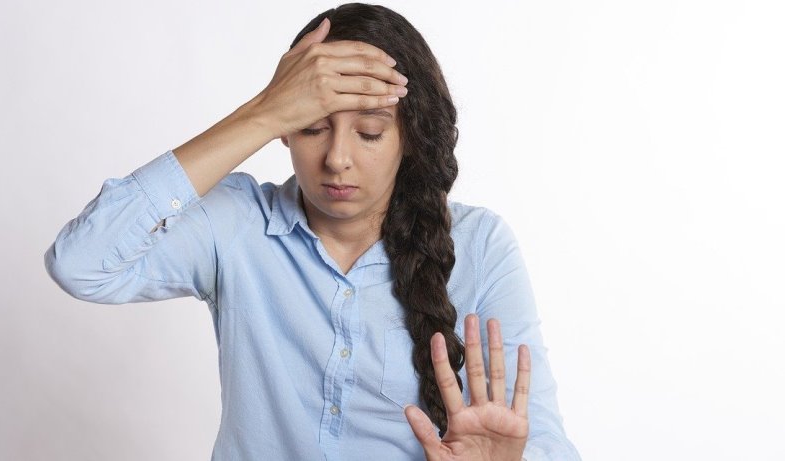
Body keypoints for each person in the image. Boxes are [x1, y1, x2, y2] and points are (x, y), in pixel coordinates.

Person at [44, 3, 581, 460]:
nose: (337, 159)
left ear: (410, 139)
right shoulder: (237, 223)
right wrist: (262, 112)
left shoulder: (479, 246)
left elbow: (544, 440)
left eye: (369, 133)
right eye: (310, 126)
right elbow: (80, 263)